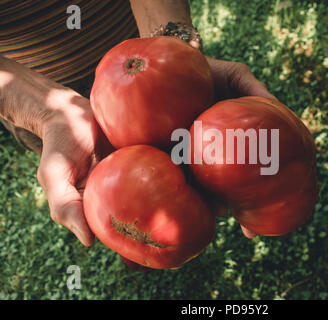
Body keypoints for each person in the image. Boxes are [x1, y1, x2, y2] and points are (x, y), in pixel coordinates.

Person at [0, 0, 276, 247]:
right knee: (118, 202)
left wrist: (174, 48)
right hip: (27, 90)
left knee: (121, 203)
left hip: (143, 47)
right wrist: (45, 112)